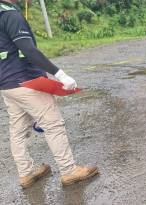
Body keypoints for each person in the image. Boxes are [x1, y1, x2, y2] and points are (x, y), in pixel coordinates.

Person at [0, 0, 98, 188]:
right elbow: (28, 50)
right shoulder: (11, 16)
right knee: (53, 123)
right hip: (26, 82)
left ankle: (26, 174)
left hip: (7, 85)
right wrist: (60, 74)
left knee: (18, 130)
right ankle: (69, 170)